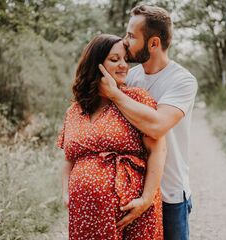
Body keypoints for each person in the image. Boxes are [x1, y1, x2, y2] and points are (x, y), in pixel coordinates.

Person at [98, 5, 198, 240]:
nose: (125, 41)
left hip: (169, 194)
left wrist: (115, 94)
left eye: (132, 36)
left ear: (153, 44)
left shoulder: (182, 81)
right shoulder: (130, 77)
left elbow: (157, 126)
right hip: (132, 190)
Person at [57, 34, 166, 240]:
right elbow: (69, 158)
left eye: (125, 59)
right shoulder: (74, 111)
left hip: (133, 212)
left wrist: (146, 199)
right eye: (115, 60)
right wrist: (66, 194)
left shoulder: (136, 99)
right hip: (85, 213)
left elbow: (157, 150)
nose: (124, 65)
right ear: (95, 64)